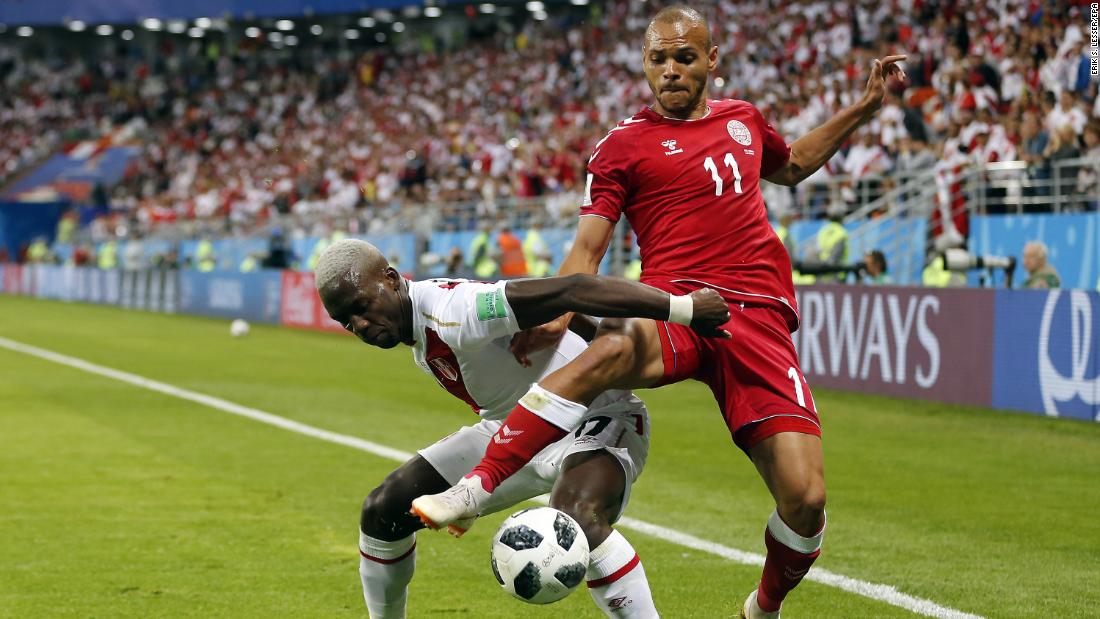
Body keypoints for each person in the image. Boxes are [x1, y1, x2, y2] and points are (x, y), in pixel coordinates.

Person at [411, 6, 906, 618]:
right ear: (645, 64)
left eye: (684, 57)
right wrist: (559, 310)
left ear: (711, 61)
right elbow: (589, 245)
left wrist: (865, 107)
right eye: (658, 59)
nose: (670, 70)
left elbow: (795, 165)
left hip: (756, 317)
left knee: (805, 499)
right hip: (677, 310)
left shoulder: (745, 121)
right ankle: (476, 486)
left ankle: (764, 607)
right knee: (612, 348)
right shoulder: (622, 146)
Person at [315, 239, 730, 618]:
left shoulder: (456, 309)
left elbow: (572, 289)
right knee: (383, 510)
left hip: (597, 419)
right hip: (512, 430)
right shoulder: (415, 325)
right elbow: (570, 315)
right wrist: (576, 328)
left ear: (391, 279)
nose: (360, 325)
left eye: (362, 305)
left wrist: (683, 309)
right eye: (346, 321)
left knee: (578, 517)